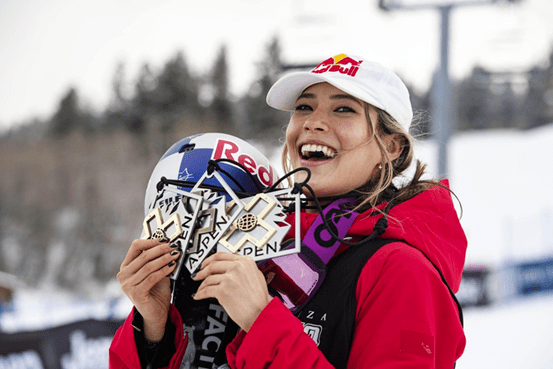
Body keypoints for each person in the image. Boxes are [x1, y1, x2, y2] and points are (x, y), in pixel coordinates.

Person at [110, 53, 467, 368]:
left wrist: (262, 321)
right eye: (304, 107)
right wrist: (153, 328)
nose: (313, 122)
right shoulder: (259, 240)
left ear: (390, 146)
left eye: (343, 109)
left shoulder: (400, 269)